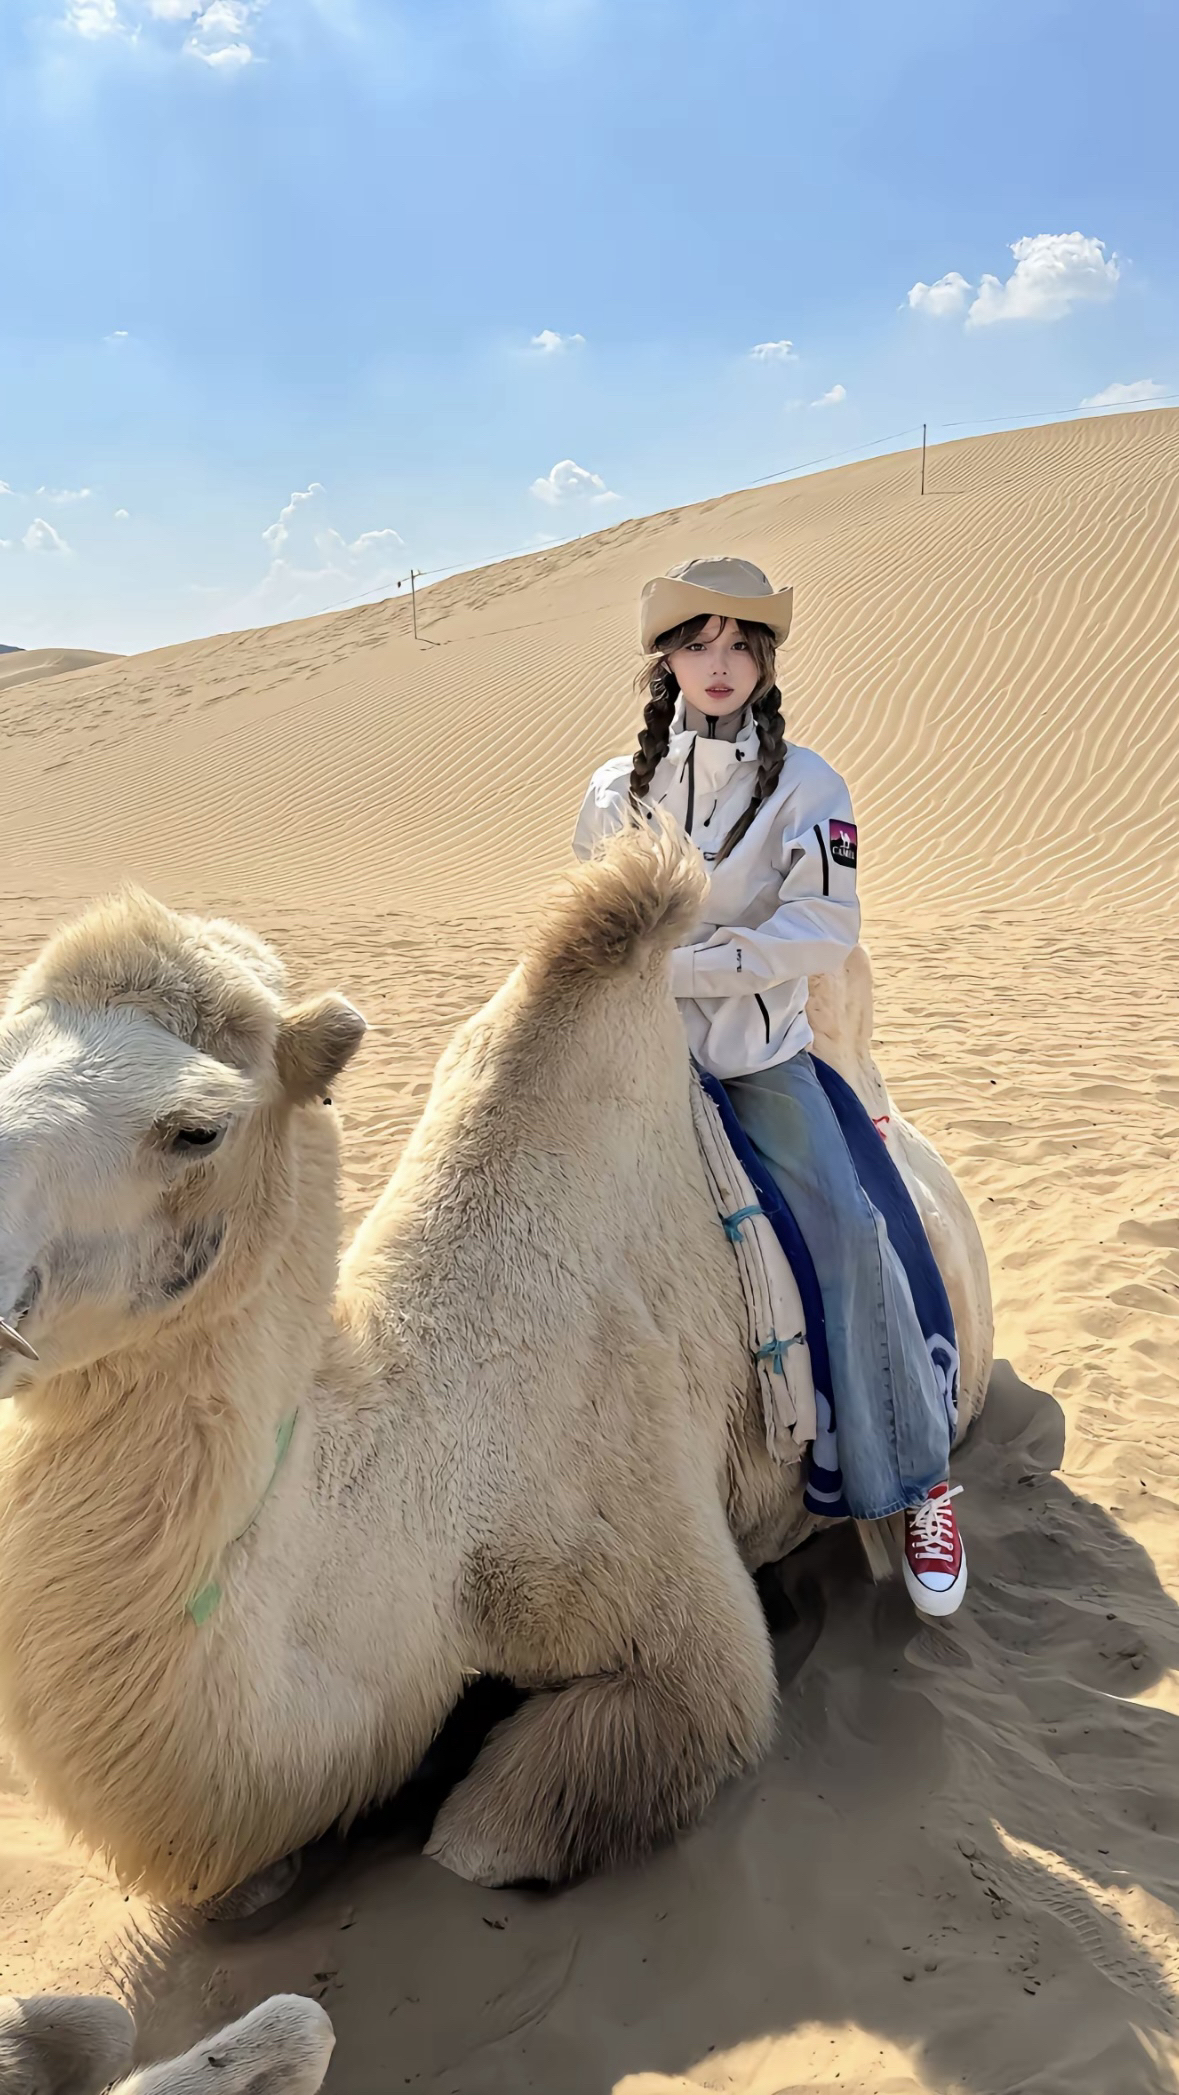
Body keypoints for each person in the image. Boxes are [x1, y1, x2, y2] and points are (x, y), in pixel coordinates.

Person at [572, 557, 965, 1617]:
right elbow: (586, 920)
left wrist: (692, 968)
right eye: (699, 643)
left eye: (740, 644)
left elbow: (822, 926)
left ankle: (919, 1482)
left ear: (764, 661)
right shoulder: (612, 791)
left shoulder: (810, 787)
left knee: (847, 1230)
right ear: (666, 658)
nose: (719, 663)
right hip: (633, 1059)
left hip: (755, 1059)